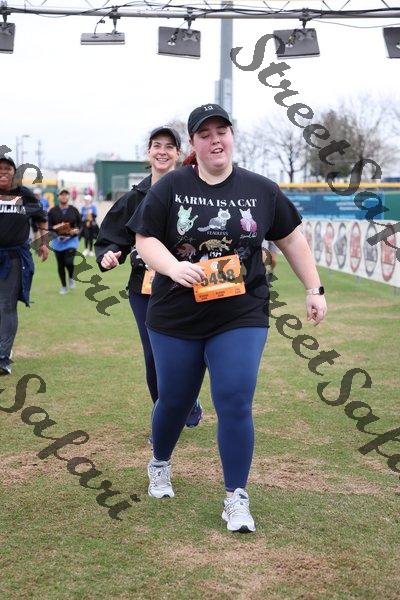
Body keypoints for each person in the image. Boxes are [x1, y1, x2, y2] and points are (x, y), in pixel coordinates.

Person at [127, 104, 327, 533]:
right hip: (176, 313)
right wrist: (173, 267)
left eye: (222, 131)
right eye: (205, 134)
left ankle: (236, 495)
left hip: (241, 311)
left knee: (235, 398)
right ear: (193, 144)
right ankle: (159, 461)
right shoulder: (172, 186)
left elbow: (291, 239)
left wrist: (314, 288)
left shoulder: (261, 189)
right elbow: (145, 239)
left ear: (232, 136)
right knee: (176, 399)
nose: (215, 140)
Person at [95, 126, 203, 433]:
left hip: (188, 285)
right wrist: (109, 254)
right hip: (144, 288)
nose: (162, 151)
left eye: (169, 146)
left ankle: (189, 400)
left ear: (178, 153)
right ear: (148, 152)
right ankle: (165, 417)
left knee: (190, 352)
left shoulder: (195, 192)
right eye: (157, 145)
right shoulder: (135, 198)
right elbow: (112, 237)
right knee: (154, 355)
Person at [0, 155, 48, 375]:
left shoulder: (24, 195)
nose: (3, 172)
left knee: (7, 305)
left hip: (13, 259)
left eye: (7, 168)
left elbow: (41, 218)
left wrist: (43, 243)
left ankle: (3, 357)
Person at [48, 189, 81, 294]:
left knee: (69, 262)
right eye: (62, 194)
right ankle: (63, 286)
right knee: (61, 264)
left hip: (71, 240)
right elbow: (48, 226)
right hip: (58, 241)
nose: (64, 196)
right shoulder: (52, 211)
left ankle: (71, 277)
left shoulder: (74, 210)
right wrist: (56, 227)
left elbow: (80, 225)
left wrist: (76, 231)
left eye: (66, 194)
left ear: (69, 196)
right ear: (58, 196)